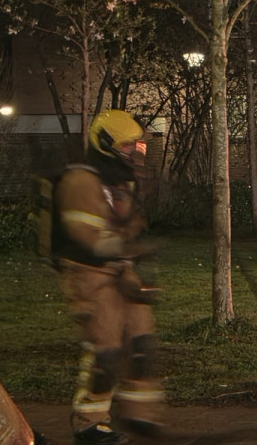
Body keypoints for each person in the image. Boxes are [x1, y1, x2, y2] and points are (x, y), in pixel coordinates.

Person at [55, 109, 163, 445]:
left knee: (141, 341)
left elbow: (129, 225)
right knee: (106, 350)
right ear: (106, 144)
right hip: (90, 275)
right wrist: (131, 247)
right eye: (129, 146)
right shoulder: (81, 181)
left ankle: (139, 414)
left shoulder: (119, 182)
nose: (135, 153)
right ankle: (89, 423)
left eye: (137, 147)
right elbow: (87, 237)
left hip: (120, 270)